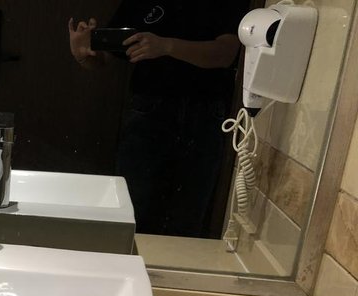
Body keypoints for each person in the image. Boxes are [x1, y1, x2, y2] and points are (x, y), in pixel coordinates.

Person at [68, 1, 249, 238]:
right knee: (131, 209)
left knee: (187, 216)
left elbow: (226, 53)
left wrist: (166, 46)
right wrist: (83, 54)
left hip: (204, 112)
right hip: (148, 109)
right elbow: (104, 57)